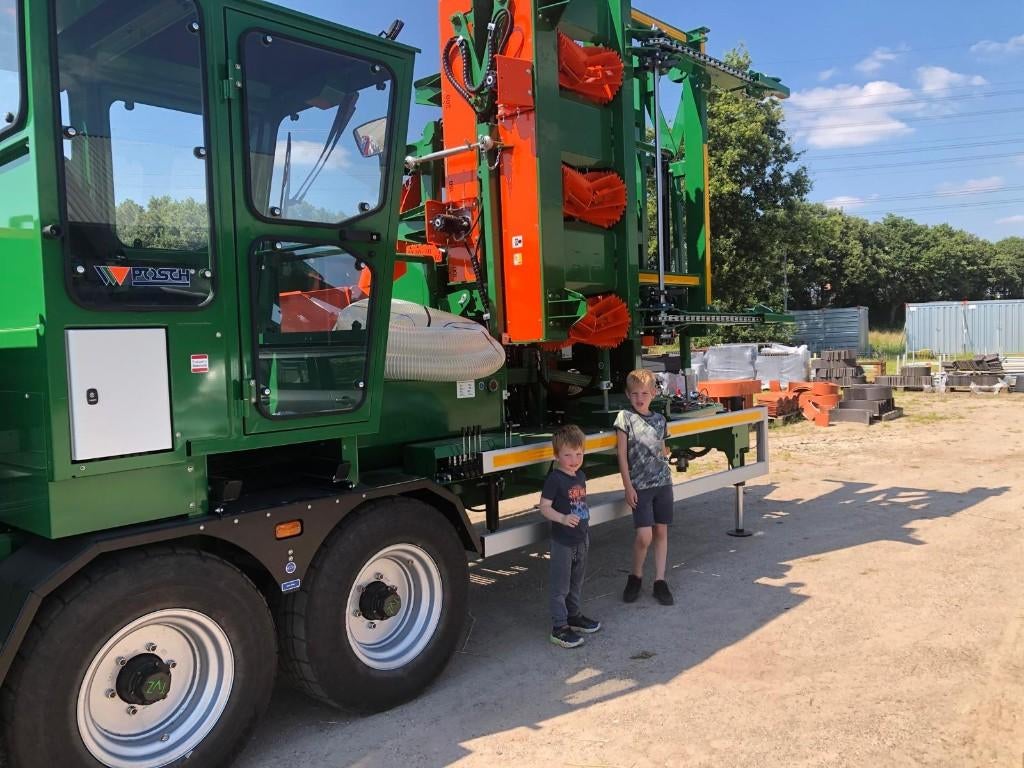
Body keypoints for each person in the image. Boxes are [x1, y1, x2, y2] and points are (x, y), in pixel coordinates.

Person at [614, 369, 675, 606]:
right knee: (644, 535)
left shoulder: (660, 420)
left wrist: (665, 453)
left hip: (663, 483)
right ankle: (635, 576)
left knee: (661, 532)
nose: (640, 398)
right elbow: (621, 455)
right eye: (635, 394)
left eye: (645, 393)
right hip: (640, 486)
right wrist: (627, 486)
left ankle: (660, 580)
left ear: (654, 394)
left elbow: (662, 447)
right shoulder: (624, 418)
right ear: (628, 395)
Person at [539, 424, 601, 648]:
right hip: (563, 541)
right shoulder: (555, 479)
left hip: (581, 538)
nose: (574, 459)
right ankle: (560, 627)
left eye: (579, 454)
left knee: (576, 582)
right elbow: (544, 507)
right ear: (557, 455)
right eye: (567, 455)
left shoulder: (580, 475)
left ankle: (574, 616)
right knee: (560, 586)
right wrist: (563, 519)